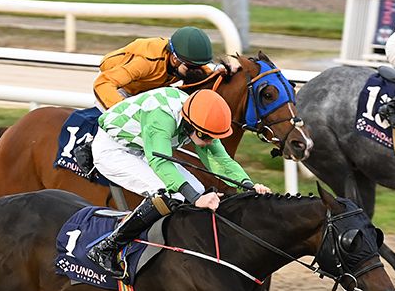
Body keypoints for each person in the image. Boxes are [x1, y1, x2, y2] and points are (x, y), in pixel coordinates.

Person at [87, 86, 272, 277]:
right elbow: (160, 161)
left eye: (214, 137)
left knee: (197, 189)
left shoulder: (198, 118)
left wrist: (248, 186)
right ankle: (107, 247)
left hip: (142, 148)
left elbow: (221, 161)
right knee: (169, 193)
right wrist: (194, 198)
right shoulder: (162, 118)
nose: (210, 141)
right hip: (113, 150)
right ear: (191, 125)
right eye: (206, 137)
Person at [92, 26, 230, 111]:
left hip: (145, 88)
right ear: (175, 58)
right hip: (119, 86)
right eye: (192, 66)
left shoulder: (187, 62)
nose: (196, 70)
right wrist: (124, 110)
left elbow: (208, 72)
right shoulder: (145, 62)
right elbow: (103, 83)